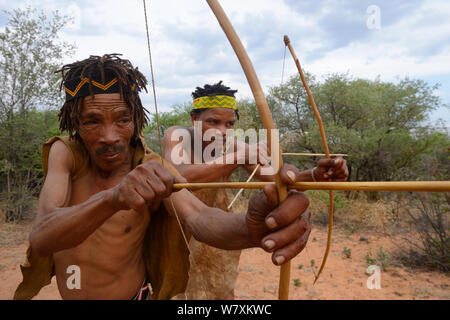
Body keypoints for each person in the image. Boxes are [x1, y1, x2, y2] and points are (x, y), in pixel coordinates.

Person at [13, 54, 312, 300]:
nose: (109, 136)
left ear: (136, 120)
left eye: (122, 120)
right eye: (92, 121)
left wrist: (254, 228)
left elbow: (199, 217)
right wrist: (113, 198)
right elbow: (42, 237)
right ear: (74, 122)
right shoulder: (67, 154)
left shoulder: (148, 165)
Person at [163, 81, 348, 299]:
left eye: (229, 124)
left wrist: (316, 175)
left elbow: (276, 179)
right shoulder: (178, 136)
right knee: (173, 288)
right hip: (174, 227)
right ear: (194, 120)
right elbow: (181, 176)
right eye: (213, 122)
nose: (223, 131)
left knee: (221, 289)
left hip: (217, 227)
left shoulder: (232, 146)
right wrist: (238, 157)